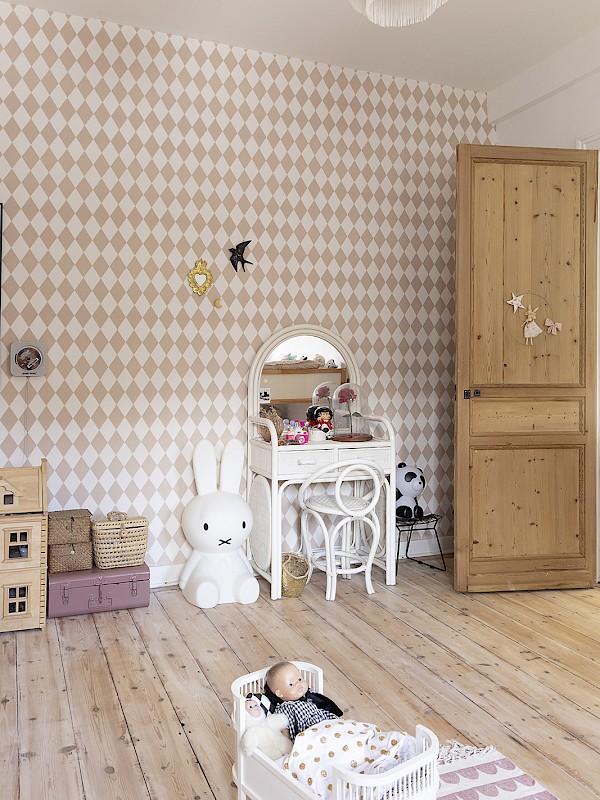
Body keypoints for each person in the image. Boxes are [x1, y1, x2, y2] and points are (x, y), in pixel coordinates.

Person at [263, 661, 343, 738]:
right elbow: (284, 730)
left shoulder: (308, 697)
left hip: (326, 724)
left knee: (342, 727)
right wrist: (287, 743)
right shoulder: (285, 708)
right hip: (310, 734)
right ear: (280, 693)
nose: (299, 684)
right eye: (291, 684)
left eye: (299, 679)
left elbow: (324, 705)